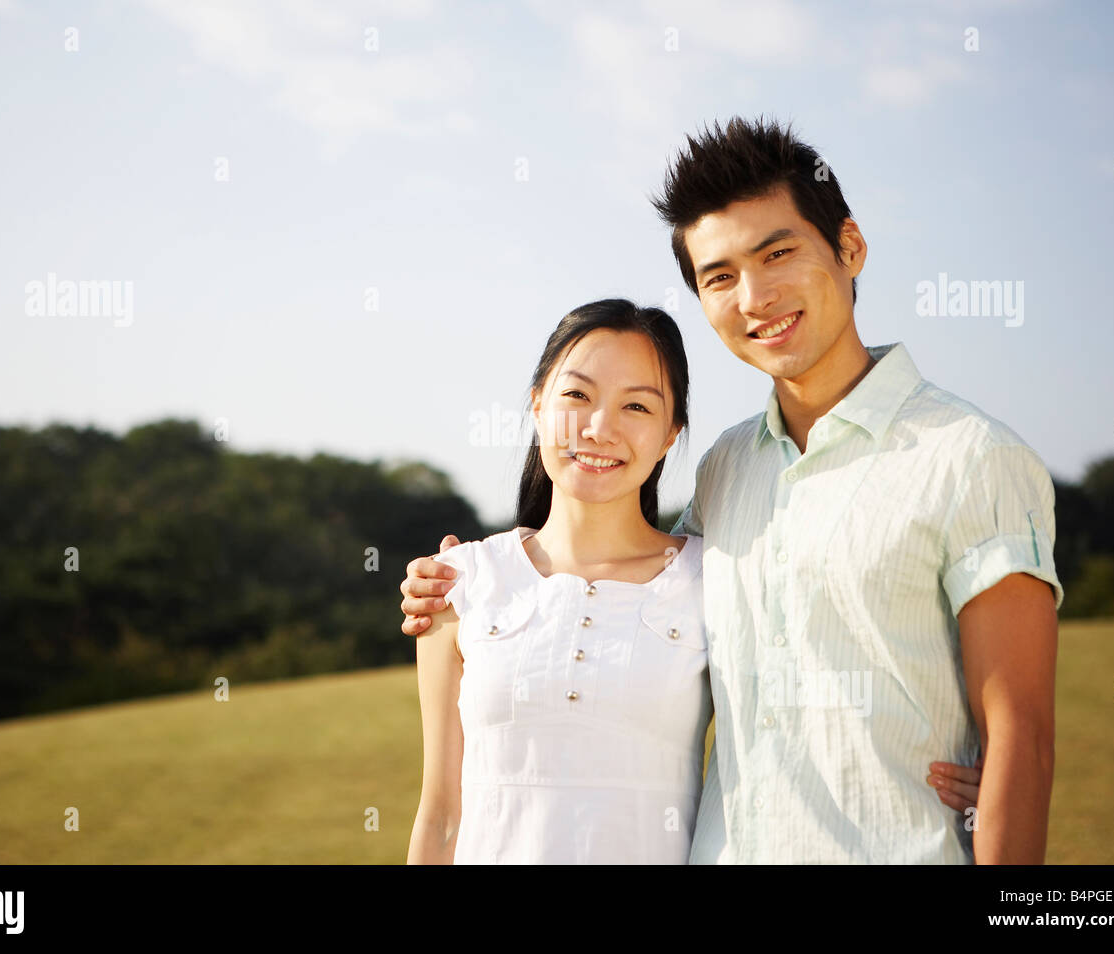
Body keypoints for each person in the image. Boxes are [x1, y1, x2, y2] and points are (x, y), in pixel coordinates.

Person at [403, 115, 1053, 865]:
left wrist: (1003, 796)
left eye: (778, 253)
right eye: (719, 277)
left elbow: (1022, 742)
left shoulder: (972, 457)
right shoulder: (728, 468)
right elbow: (622, 580)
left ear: (850, 247)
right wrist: (466, 582)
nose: (754, 296)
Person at [405, 297, 982, 865]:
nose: (600, 428)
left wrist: (971, 774)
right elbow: (440, 813)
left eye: (637, 407)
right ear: (537, 406)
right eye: (577, 395)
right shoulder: (459, 581)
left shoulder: (714, 575)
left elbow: (822, 698)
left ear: (670, 434)